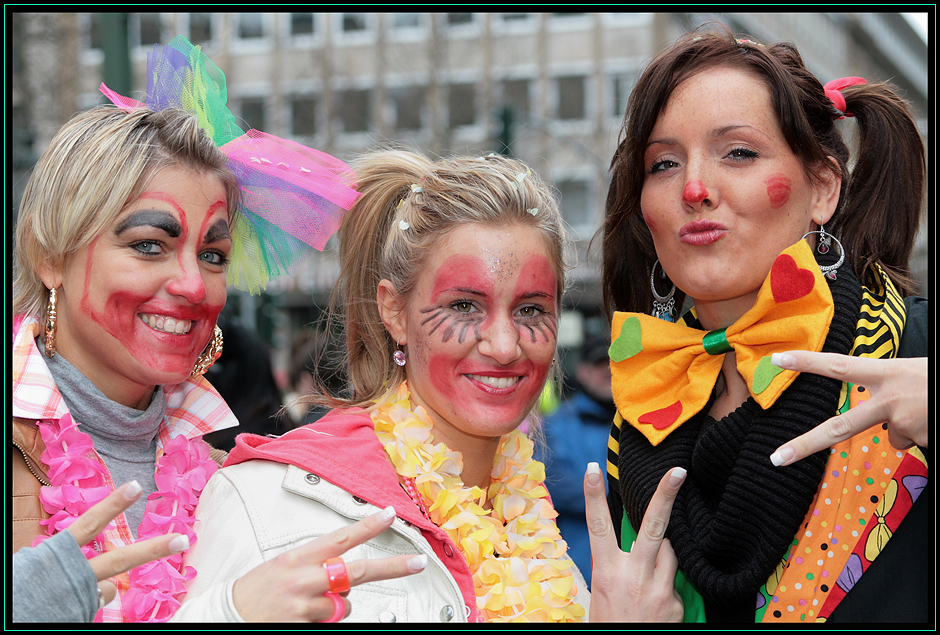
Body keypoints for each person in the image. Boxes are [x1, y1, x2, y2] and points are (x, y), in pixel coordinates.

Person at [174, 149, 685, 623]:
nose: (505, 346)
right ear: (394, 310)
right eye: (465, 306)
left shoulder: (542, 539)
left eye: (530, 309)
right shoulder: (268, 502)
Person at [10, 35, 406, 623]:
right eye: (149, 245)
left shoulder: (232, 473)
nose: (194, 286)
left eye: (214, 255)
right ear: (50, 255)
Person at [601, 27, 928, 623]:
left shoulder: (915, 353)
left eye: (739, 153)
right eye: (664, 163)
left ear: (823, 188)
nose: (695, 189)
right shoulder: (641, 410)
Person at [537, 332, 617, 588]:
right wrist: (627, 496)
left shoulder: (641, 424)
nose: (608, 371)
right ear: (582, 371)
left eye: (614, 363)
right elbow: (552, 484)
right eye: (599, 363)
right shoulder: (554, 424)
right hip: (575, 572)